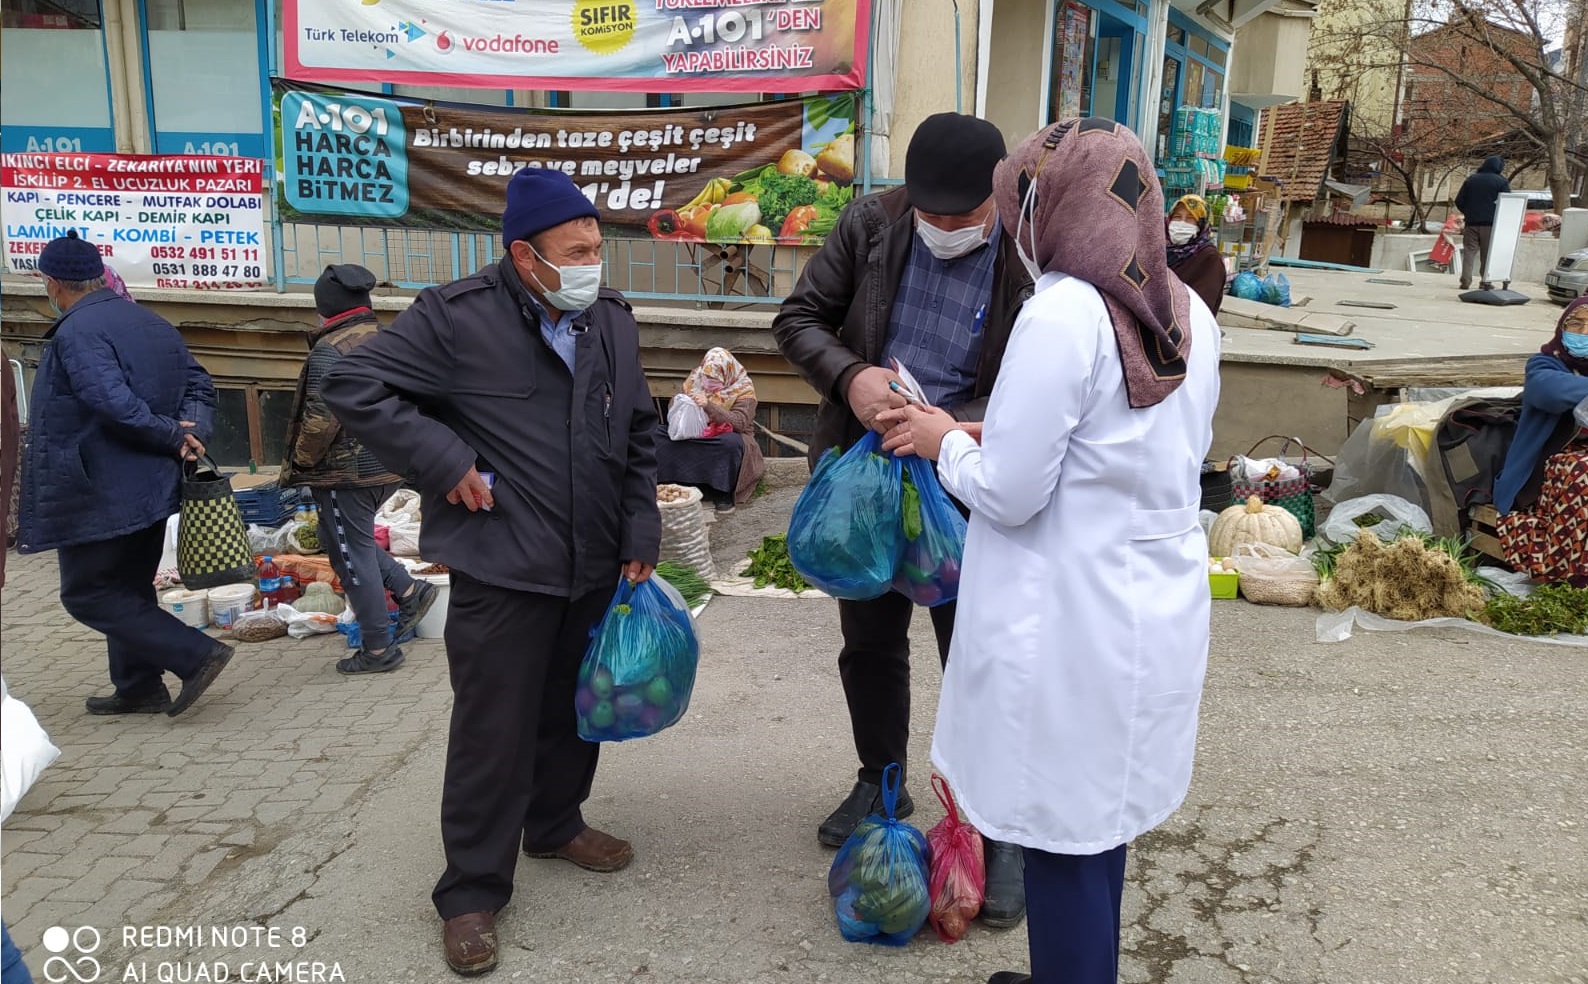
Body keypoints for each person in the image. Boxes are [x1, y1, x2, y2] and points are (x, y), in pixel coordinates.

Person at [881, 117, 1220, 984]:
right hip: (1151, 608)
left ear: (1049, 205)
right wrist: (979, 427)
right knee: (1101, 825)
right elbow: (1119, 447)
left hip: (1067, 620)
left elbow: (1012, 491)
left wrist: (940, 441)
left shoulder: (1065, 311)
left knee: (1062, 834)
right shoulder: (1184, 310)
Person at [321, 167, 661, 977]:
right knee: (491, 731)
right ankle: (471, 891)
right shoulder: (455, 317)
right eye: (575, 251)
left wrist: (641, 524)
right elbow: (348, 380)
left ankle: (555, 824)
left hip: (592, 562)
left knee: (573, 711)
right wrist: (443, 460)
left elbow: (640, 429)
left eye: (596, 247)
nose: (592, 263)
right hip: (503, 564)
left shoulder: (608, 318)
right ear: (524, 255)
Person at [772, 111, 1035, 926]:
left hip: (971, 479)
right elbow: (798, 320)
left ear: (998, 196)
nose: (946, 228)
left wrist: (952, 426)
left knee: (978, 655)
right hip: (871, 481)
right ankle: (878, 778)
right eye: (933, 214)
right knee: (871, 643)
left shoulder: (1031, 252)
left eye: (964, 216)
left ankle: (995, 824)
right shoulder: (873, 224)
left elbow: (1047, 381)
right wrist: (849, 379)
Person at [17, 231, 233, 718]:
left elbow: (109, 399)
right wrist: (193, 429)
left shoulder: (77, 331)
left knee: (88, 593)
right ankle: (137, 686)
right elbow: (199, 381)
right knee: (129, 589)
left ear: (52, 284)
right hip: (150, 484)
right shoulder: (149, 320)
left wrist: (173, 435)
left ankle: (195, 654)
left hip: (99, 487)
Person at [282, 264, 439, 674]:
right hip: (389, 463)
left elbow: (321, 418)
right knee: (344, 541)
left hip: (345, 473)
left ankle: (377, 648)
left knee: (351, 556)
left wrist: (300, 463)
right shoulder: (386, 340)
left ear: (324, 309)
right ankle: (410, 590)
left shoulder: (330, 350)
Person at [1492, 298, 1588, 584]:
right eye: (1576, 324)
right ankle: (1575, 576)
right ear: (1562, 328)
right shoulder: (1545, 364)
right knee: (1583, 474)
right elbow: (1550, 392)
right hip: (1538, 474)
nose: (1583, 332)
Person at [656, 347, 766, 512]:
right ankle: (668, 484)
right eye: (707, 377)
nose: (708, 381)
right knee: (657, 434)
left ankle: (720, 492)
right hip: (694, 432)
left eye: (714, 378)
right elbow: (674, 408)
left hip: (724, 435)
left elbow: (739, 423)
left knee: (730, 444)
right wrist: (682, 403)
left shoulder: (743, 390)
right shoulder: (695, 380)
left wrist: (708, 406)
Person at [1454, 156, 1511, 291]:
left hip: (1471, 223)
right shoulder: (1501, 181)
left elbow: (1459, 200)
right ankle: (1485, 282)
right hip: (1490, 225)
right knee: (1486, 254)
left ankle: (1465, 281)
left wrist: (1468, 212)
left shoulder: (1471, 179)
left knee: (1469, 252)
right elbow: (1508, 202)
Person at [1165, 194, 1225, 315]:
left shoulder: (1209, 258)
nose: (1182, 223)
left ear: (1201, 224)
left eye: (1190, 218)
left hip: (1188, 327)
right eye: (1177, 217)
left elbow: (1202, 305)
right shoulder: (1162, 251)